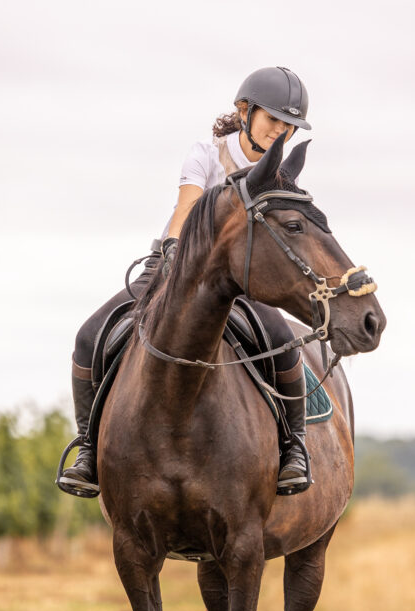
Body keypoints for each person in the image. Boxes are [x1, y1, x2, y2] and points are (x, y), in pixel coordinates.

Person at [58, 66, 312, 498]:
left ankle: (293, 448)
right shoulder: (206, 154)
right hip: (174, 264)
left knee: (282, 340)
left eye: (289, 126)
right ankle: (87, 449)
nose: (280, 132)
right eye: (274, 120)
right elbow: (186, 207)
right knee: (89, 336)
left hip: (240, 280)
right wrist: (174, 250)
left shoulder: (280, 174)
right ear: (245, 111)